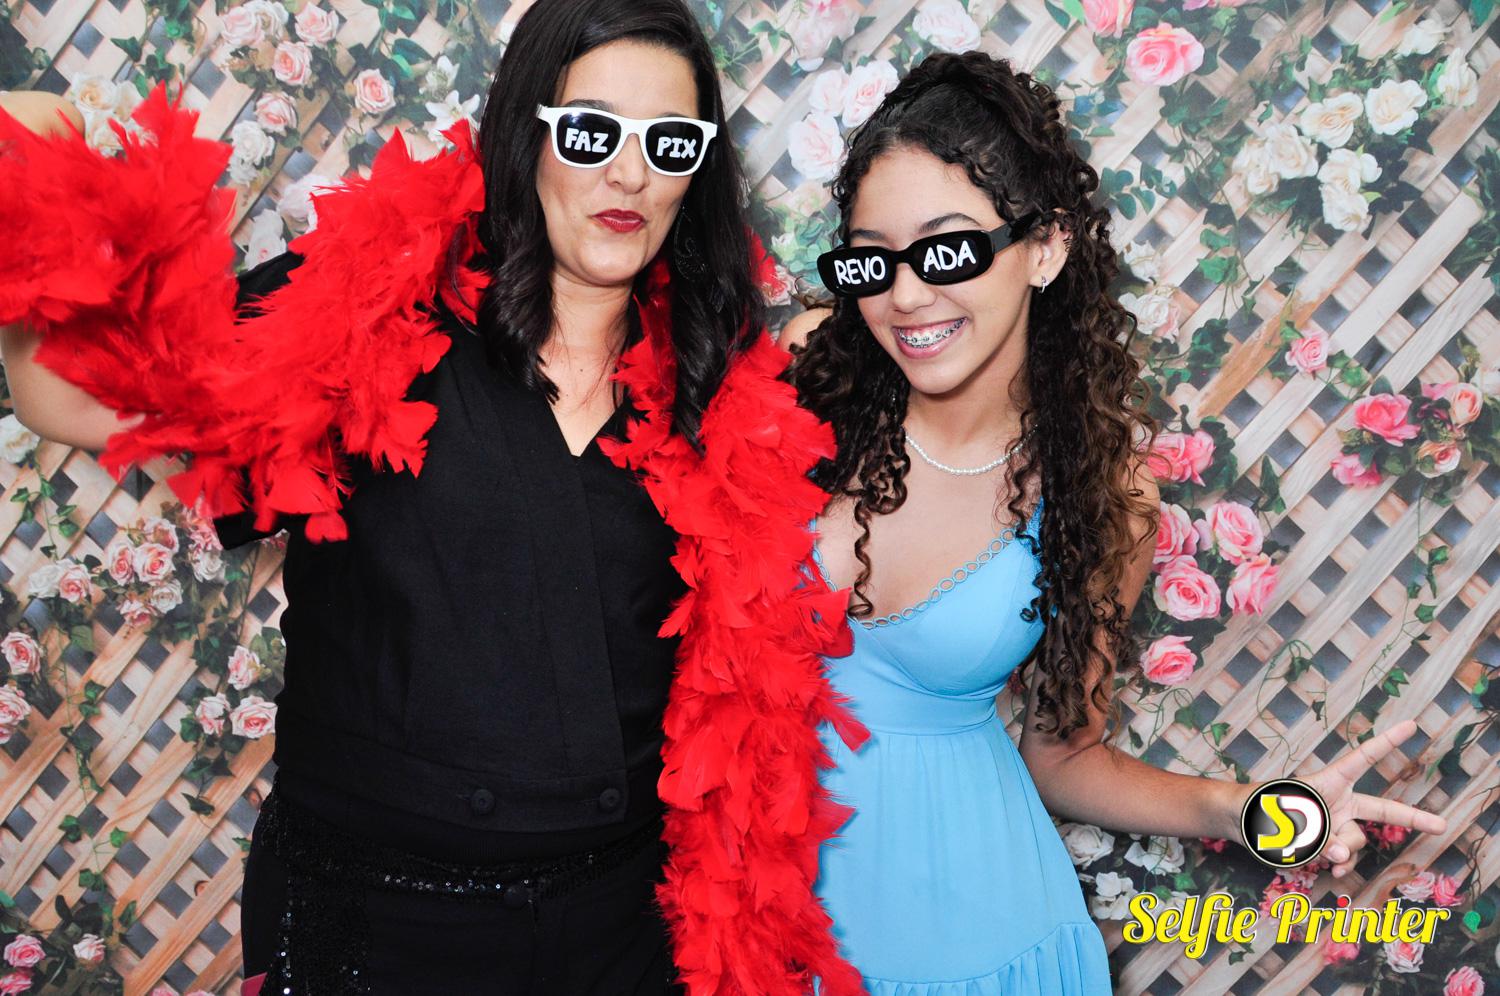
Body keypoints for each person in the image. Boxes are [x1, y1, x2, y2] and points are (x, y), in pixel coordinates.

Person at [0, 1, 867, 992]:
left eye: (669, 144)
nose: (630, 173)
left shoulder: (724, 385)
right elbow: (71, 393)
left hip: (623, 940)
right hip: (376, 929)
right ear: (525, 137)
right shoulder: (363, 315)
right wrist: (39, 159)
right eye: (592, 133)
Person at [783, 51, 1447, 994]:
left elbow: (1065, 757)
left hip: (980, 943)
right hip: (754, 913)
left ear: (1045, 248)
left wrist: (1250, 810)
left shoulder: (1100, 494)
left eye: (947, 249)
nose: (905, 294)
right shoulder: (807, 377)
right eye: (870, 258)